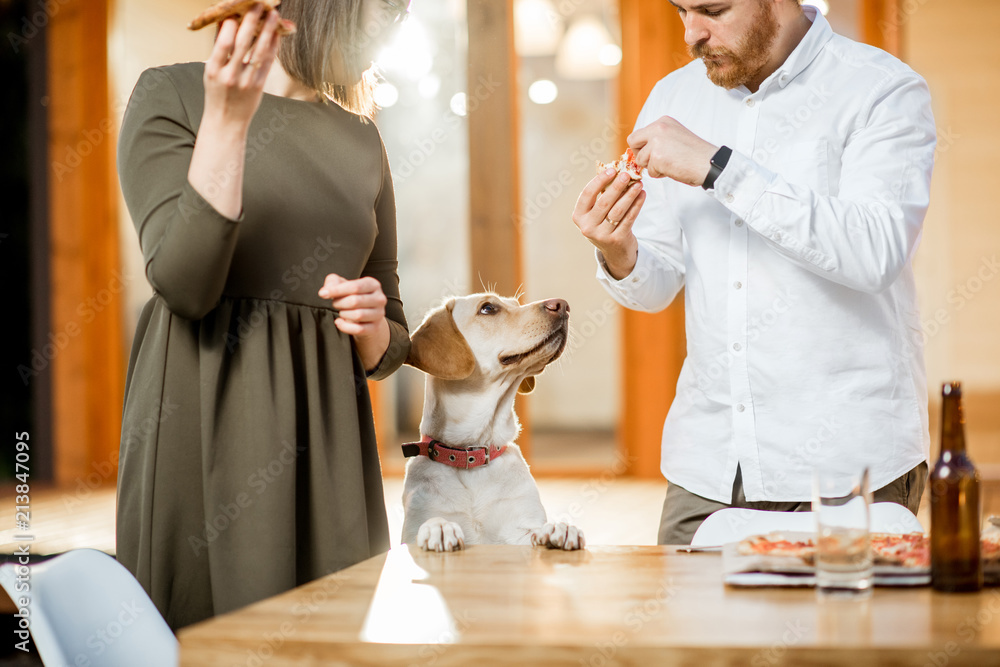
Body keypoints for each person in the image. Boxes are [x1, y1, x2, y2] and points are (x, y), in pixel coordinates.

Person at [572, 0, 936, 544]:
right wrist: (618, 249)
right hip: (709, 467)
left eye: (713, 10)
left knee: (853, 629)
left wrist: (720, 168)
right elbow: (656, 285)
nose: (693, 34)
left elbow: (874, 251)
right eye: (682, 11)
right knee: (684, 629)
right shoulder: (674, 98)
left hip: (849, 467)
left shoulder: (881, 90)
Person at [115, 0, 412, 629]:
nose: (390, 24)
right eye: (378, 7)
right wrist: (227, 120)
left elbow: (390, 336)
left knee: (332, 635)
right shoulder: (172, 94)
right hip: (204, 418)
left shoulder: (363, 139)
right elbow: (184, 284)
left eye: (401, 10)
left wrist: (373, 325)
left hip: (327, 442)